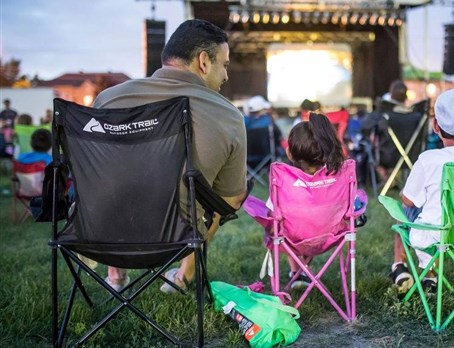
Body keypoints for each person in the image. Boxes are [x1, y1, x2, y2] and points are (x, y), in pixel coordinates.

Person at [93, 19, 247, 293]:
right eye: (224, 64)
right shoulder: (229, 117)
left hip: (95, 235)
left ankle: (116, 276)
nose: (225, 75)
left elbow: (91, 172)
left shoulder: (108, 99)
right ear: (203, 61)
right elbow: (232, 199)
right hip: (174, 240)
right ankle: (183, 276)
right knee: (227, 196)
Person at [399, 89, 454, 295]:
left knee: (404, 210)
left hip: (435, 237)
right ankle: (428, 274)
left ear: (435, 126)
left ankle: (403, 268)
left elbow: (408, 201)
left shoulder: (428, 159)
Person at [267, 113, 348, 288]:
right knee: (311, 222)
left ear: (289, 153)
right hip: (330, 236)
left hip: (292, 239)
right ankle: (301, 271)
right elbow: (352, 207)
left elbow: (271, 214)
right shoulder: (339, 179)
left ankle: (296, 271)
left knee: (285, 224)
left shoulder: (283, 182)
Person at [361, 80, 424, 293]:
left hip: (389, 156)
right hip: (412, 157)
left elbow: (365, 127)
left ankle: (400, 266)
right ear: (406, 96)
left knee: (403, 215)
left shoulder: (384, 113)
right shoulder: (418, 113)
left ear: (390, 94)